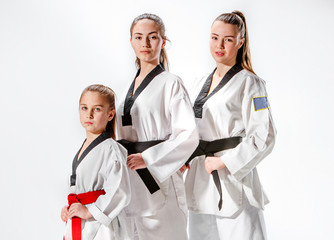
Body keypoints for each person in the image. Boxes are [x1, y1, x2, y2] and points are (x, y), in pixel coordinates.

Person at [184, 11, 276, 240]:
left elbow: (264, 136)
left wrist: (225, 161)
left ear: (240, 42)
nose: (220, 45)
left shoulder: (251, 83)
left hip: (233, 178)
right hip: (200, 177)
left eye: (228, 39)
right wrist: (184, 156)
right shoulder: (198, 82)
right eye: (215, 37)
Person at [116, 13, 198, 240]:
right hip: (131, 184)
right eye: (138, 37)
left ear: (163, 42)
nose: (145, 43)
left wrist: (150, 158)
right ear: (131, 41)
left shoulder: (171, 83)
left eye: (152, 37)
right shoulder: (124, 90)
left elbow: (188, 135)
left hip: (158, 181)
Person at [61, 84, 131, 240]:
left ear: (111, 114)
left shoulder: (111, 149)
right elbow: (78, 186)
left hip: (101, 226)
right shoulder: (84, 148)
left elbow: (120, 189)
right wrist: (68, 208)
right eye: (84, 108)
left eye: (97, 109)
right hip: (82, 220)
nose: (89, 114)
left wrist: (90, 211)